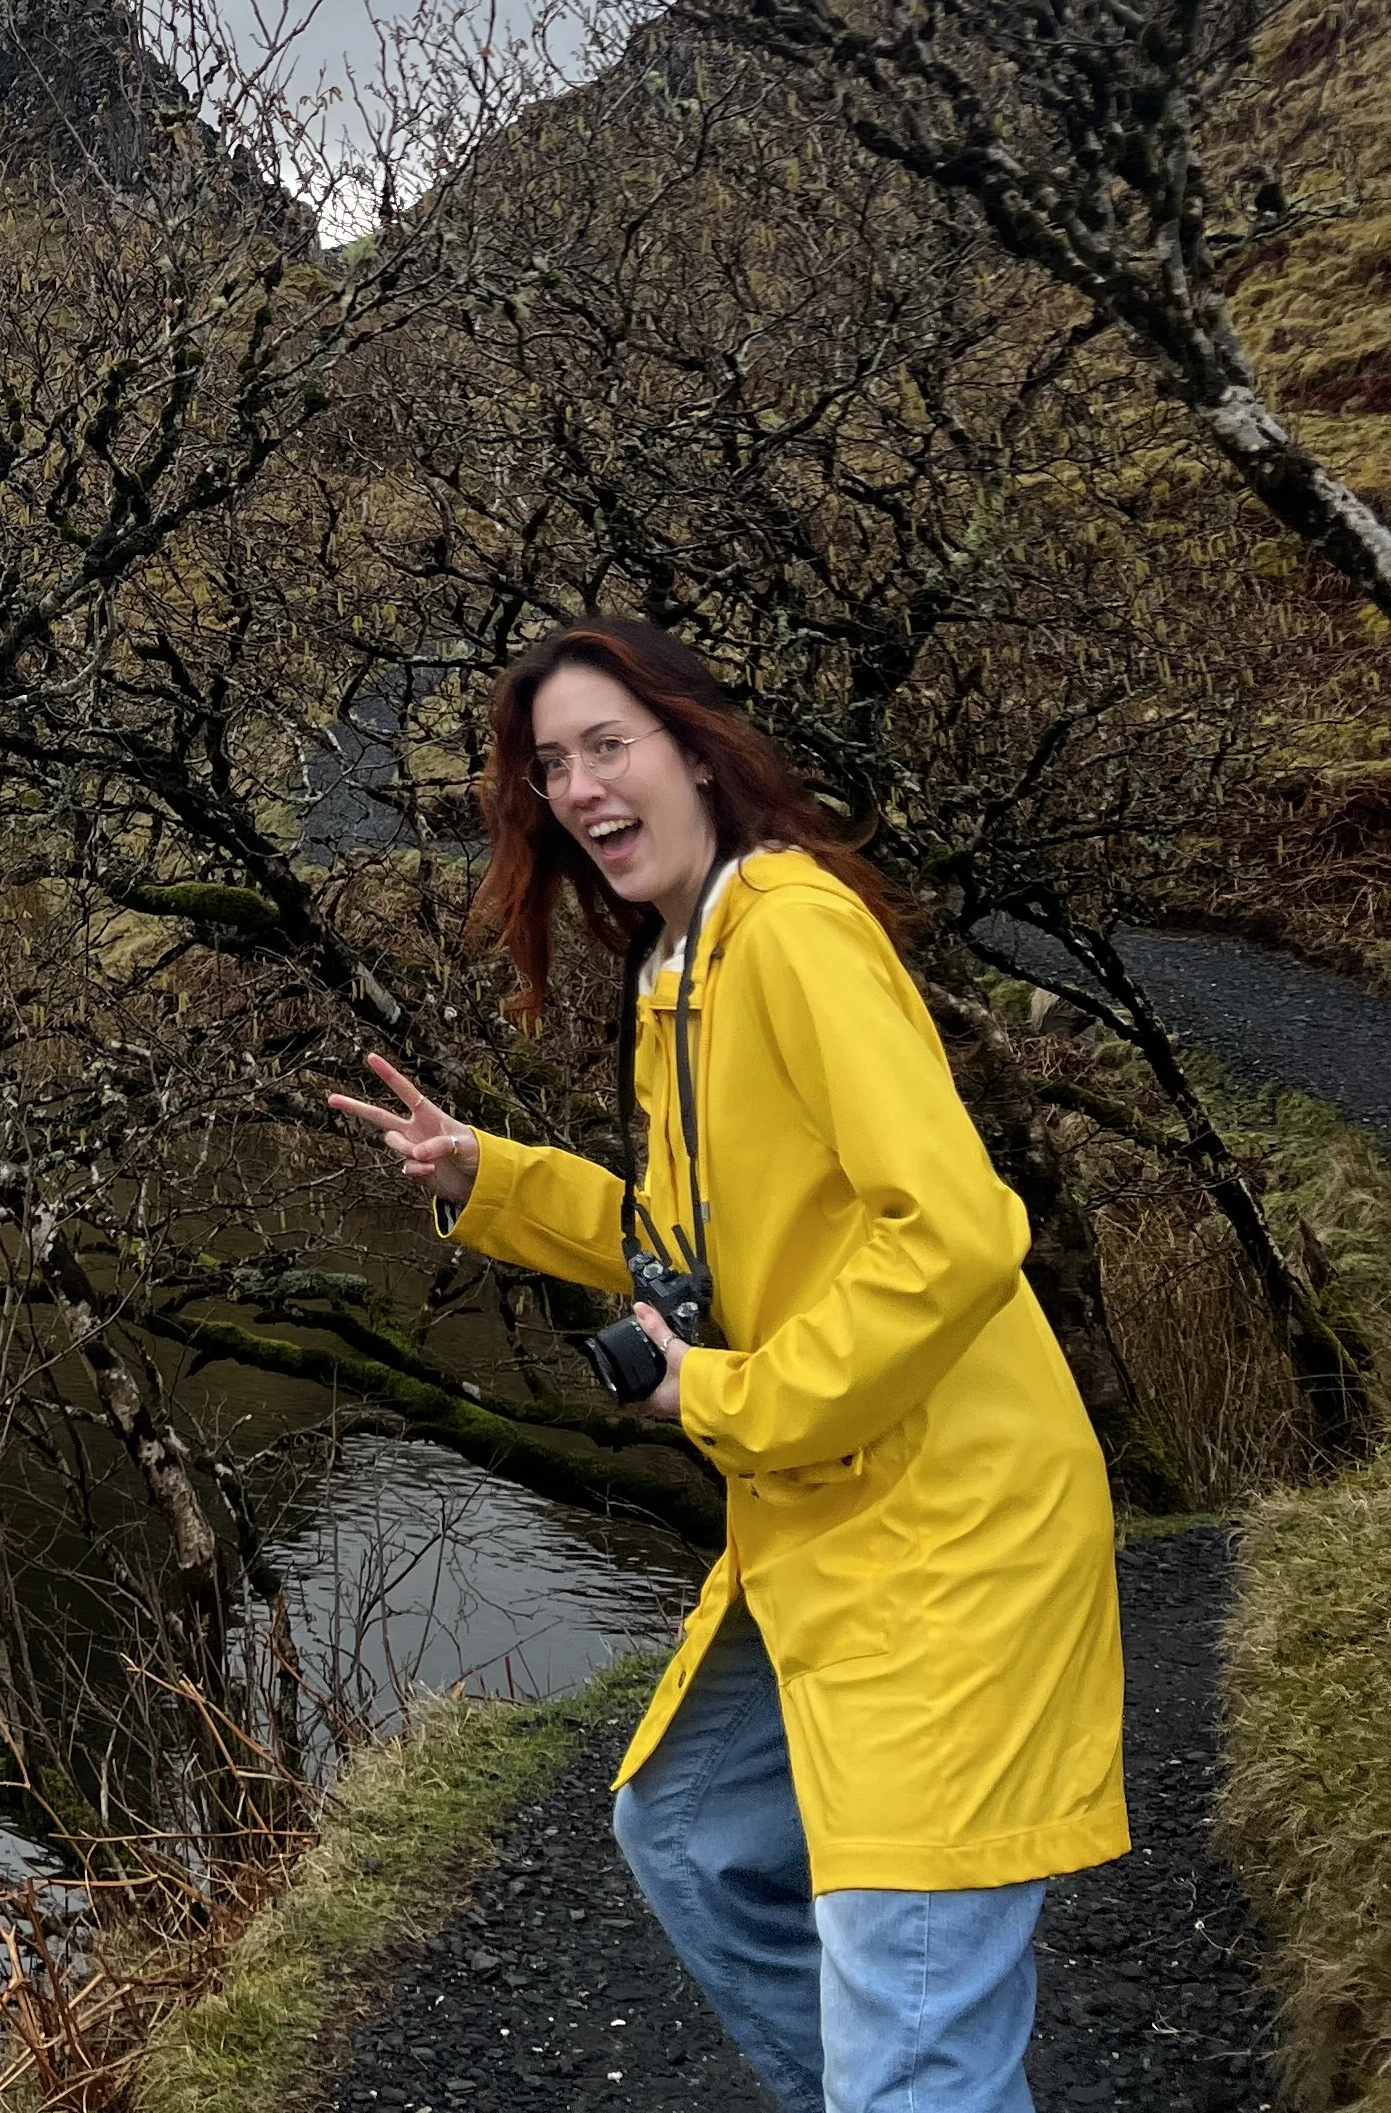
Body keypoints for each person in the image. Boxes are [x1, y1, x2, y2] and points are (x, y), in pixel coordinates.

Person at [330, 618, 1124, 2113]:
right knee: (689, 1830)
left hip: (947, 1539)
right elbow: (691, 1243)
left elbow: (955, 1233)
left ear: (698, 746)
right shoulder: (681, 973)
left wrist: (727, 1399)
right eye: (550, 764)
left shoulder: (791, 928)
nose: (576, 786)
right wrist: (484, 1177)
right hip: (828, 1527)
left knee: (910, 2001)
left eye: (606, 743)